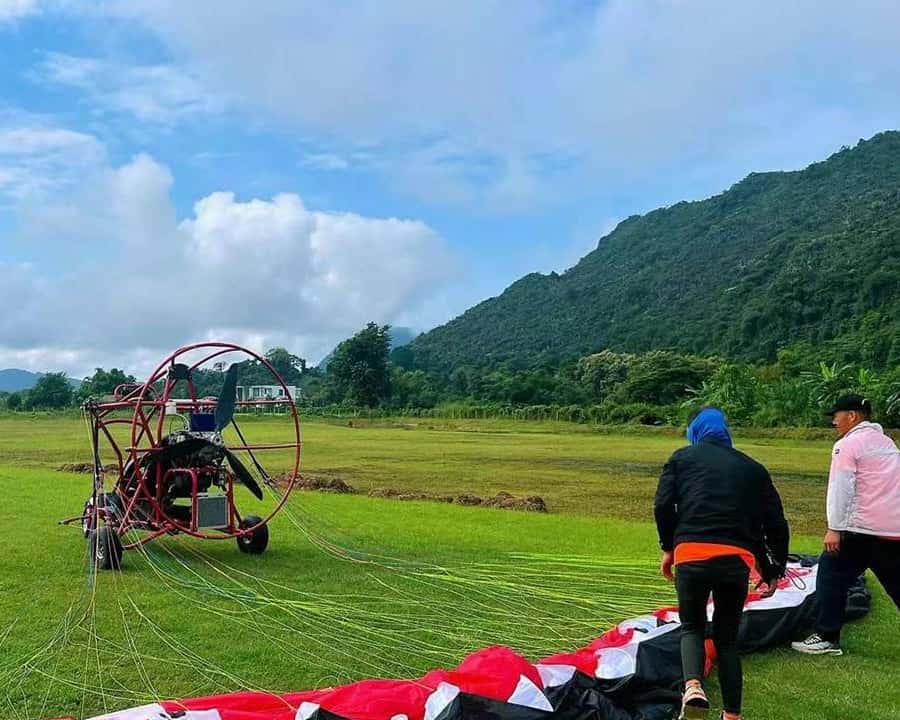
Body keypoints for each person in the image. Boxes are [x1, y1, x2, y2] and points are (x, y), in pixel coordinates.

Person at [655, 407, 789, 720]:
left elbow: (663, 505)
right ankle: (732, 715)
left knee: (692, 626)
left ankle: (693, 687)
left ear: (695, 431)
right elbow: (774, 523)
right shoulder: (753, 468)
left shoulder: (682, 458)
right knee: (727, 639)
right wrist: (773, 569)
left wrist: (668, 547)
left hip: (691, 553)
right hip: (735, 560)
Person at [792, 394, 900, 656]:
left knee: (830, 575)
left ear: (852, 416)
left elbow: (840, 487)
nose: (834, 422)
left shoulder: (847, 445)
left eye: (836, 416)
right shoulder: (888, 444)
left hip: (861, 529)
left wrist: (835, 527)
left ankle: (826, 636)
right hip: (891, 529)